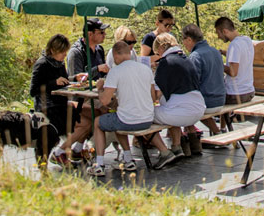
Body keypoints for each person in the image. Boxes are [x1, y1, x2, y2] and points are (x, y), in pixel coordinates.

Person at [86, 41, 155, 177]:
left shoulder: (116, 71)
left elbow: (105, 101)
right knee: (117, 116)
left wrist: (100, 88)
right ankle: (128, 159)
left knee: (98, 122)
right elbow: (153, 97)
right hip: (148, 119)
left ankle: (99, 164)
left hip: (128, 120)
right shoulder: (145, 69)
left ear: (116, 55)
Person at [51, 19, 111, 166]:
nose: (105, 35)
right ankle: (66, 151)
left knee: (109, 107)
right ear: (90, 34)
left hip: (94, 95)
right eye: (101, 32)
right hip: (75, 99)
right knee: (100, 112)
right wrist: (97, 69)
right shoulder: (76, 52)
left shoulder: (99, 50)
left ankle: (78, 148)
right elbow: (75, 80)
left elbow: (102, 77)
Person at [151, 32, 206, 168]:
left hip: (181, 113)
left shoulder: (165, 63)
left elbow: (155, 96)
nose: (158, 55)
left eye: (157, 52)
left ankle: (164, 153)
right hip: (198, 110)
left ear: (162, 48)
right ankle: (176, 147)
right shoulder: (186, 59)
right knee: (170, 109)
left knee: (142, 116)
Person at [182, 23, 225, 138]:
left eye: (183, 40)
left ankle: (192, 136)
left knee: (181, 106)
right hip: (221, 99)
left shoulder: (195, 56)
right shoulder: (215, 51)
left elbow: (192, 83)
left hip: (208, 103)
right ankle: (213, 132)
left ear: (189, 39)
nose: (184, 44)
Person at [29, 34, 76, 138]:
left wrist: (76, 78)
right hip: (46, 107)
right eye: (63, 51)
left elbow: (65, 81)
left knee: (80, 111)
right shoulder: (41, 64)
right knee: (70, 117)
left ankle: (75, 147)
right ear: (53, 50)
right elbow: (33, 91)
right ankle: (64, 149)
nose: (65, 55)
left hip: (61, 103)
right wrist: (54, 83)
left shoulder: (60, 63)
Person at [214, 17, 254, 113]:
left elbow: (233, 72)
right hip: (249, 91)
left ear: (224, 31)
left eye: (218, 33)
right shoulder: (246, 40)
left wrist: (218, 63)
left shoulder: (234, 45)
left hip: (236, 95)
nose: (218, 37)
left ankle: (221, 125)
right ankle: (224, 126)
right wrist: (222, 52)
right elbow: (239, 55)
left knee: (209, 98)